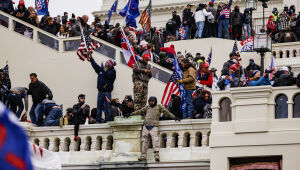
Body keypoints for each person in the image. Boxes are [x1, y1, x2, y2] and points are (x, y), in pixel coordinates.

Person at [132, 96, 180, 162]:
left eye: (153, 101)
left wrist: (174, 117)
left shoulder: (159, 107)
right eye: (150, 101)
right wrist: (131, 114)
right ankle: (143, 156)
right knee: (144, 141)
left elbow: (166, 112)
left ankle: (156, 156)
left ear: (155, 101)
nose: (151, 102)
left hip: (154, 126)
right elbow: (139, 111)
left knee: (155, 141)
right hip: (146, 126)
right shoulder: (147, 107)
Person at [90, 57, 116, 123]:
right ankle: (98, 120)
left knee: (108, 107)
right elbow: (95, 66)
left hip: (107, 92)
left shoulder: (112, 71)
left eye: (107, 62)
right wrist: (91, 59)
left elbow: (108, 75)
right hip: (100, 91)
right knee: (99, 107)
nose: (105, 63)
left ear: (110, 64)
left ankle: (108, 119)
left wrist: (104, 69)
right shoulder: (103, 69)